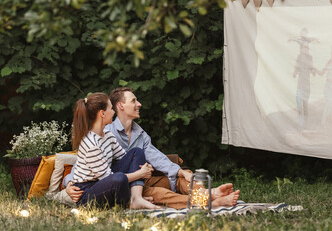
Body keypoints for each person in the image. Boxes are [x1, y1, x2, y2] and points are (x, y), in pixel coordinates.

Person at [65, 88, 240, 209]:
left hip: (140, 179)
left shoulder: (139, 134)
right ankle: (207, 202)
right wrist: (68, 185)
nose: (139, 104)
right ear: (120, 106)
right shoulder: (105, 131)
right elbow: (84, 169)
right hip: (121, 184)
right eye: (134, 100)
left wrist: (181, 172)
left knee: (181, 177)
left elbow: (157, 158)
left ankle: (211, 192)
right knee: (160, 193)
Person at [68, 92, 160, 209]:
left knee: (136, 152)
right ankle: (128, 203)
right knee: (119, 178)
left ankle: (137, 198)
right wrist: (140, 174)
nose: (113, 112)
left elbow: (126, 159)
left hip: (103, 183)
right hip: (87, 194)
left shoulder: (107, 135)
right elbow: (108, 178)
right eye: (111, 108)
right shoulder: (91, 144)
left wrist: (146, 166)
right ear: (102, 113)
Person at [289, 28, 319, 130]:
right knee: (299, 104)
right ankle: (300, 124)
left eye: (306, 48)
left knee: (305, 105)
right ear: (302, 49)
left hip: (307, 85)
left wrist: (314, 72)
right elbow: (296, 67)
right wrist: (294, 72)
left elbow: (311, 68)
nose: (305, 49)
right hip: (300, 84)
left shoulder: (310, 57)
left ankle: (305, 123)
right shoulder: (299, 56)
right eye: (303, 48)